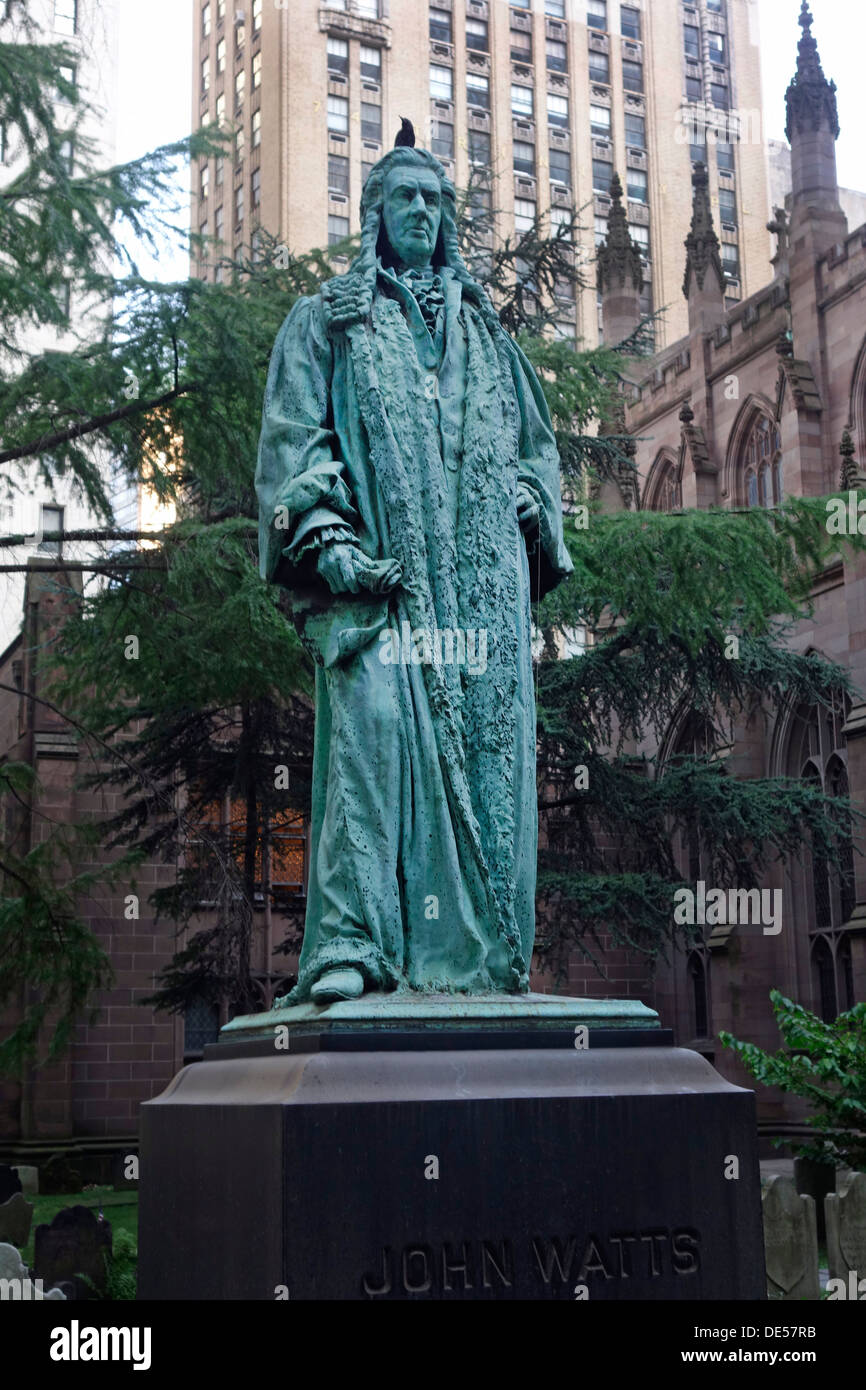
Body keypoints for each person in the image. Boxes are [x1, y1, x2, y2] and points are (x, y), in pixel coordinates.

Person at [255, 126, 572, 1004]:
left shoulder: (488, 336)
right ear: (376, 215)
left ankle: (481, 961)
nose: (422, 212)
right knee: (374, 739)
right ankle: (353, 947)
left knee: (491, 763)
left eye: (435, 199)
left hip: (481, 603)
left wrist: (533, 504)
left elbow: (539, 452)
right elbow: (291, 446)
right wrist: (332, 545)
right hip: (383, 595)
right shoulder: (330, 321)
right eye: (405, 198)